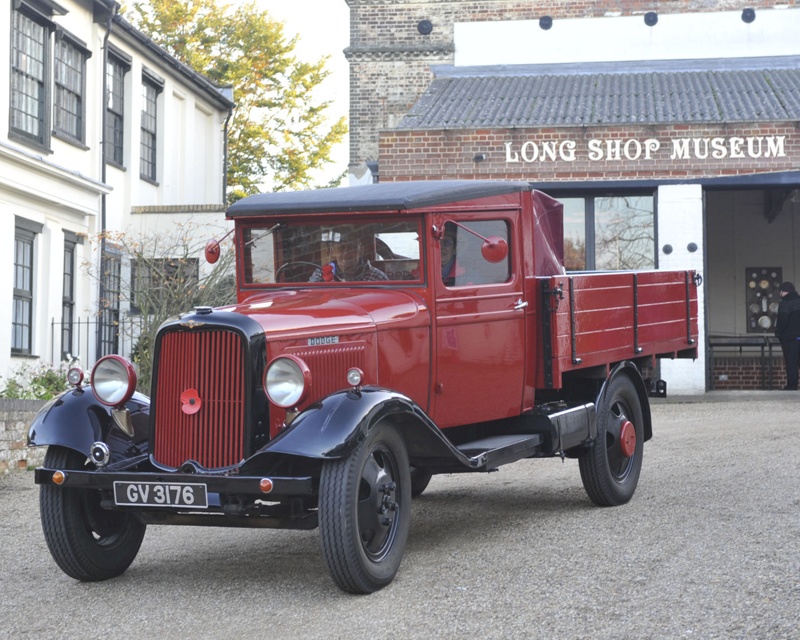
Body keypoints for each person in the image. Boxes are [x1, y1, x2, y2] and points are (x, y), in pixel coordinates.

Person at [309, 227, 388, 282]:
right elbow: (310, 298)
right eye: (342, 248)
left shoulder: (377, 277)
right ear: (332, 252)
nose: (347, 253)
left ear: (360, 250)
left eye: (352, 247)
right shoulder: (321, 274)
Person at [775, 281, 800, 390]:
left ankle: (792, 385)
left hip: (790, 338)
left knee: (791, 362)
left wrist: (778, 333)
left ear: (782, 292)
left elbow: (782, 321)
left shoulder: (785, 303)